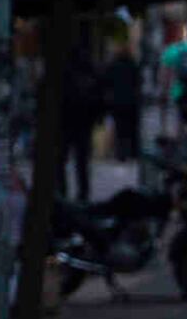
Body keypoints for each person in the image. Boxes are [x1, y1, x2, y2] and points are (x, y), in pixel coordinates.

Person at [60, 48, 103, 202]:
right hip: (82, 123)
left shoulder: (66, 74)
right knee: (81, 160)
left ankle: (65, 192)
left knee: (64, 159)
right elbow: (99, 98)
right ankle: (82, 193)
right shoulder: (90, 73)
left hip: (68, 122)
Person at [105, 41, 141, 162]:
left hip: (117, 101)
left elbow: (107, 82)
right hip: (131, 101)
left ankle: (121, 154)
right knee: (131, 128)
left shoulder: (113, 65)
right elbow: (138, 81)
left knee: (120, 128)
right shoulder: (132, 64)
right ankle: (132, 152)